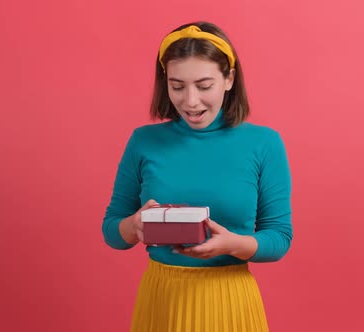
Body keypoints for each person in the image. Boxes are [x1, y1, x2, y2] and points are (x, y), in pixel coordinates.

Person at [102, 21, 292, 331]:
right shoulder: (143, 141)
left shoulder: (264, 144)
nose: (190, 101)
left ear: (229, 79)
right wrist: (134, 226)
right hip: (162, 297)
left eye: (204, 85)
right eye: (177, 86)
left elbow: (279, 238)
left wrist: (230, 244)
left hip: (229, 299)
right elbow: (112, 232)